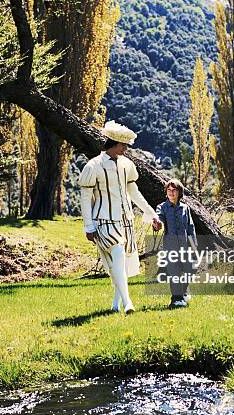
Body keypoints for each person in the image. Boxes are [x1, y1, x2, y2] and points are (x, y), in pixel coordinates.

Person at [79, 121, 162, 314]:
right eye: (123, 145)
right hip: (103, 220)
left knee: (121, 263)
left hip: (126, 219)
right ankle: (128, 303)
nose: (125, 149)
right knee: (117, 255)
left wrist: (151, 214)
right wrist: (88, 226)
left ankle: (115, 304)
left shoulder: (127, 165)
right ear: (113, 143)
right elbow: (85, 198)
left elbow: (135, 193)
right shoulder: (94, 166)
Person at [156, 178, 197, 308]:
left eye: (174, 190)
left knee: (191, 268)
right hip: (170, 247)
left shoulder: (185, 208)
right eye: (169, 190)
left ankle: (184, 292)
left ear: (180, 192)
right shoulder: (162, 207)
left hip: (185, 246)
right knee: (174, 273)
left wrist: (194, 245)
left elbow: (190, 227)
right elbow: (159, 219)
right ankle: (176, 300)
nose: (171, 193)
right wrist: (157, 224)